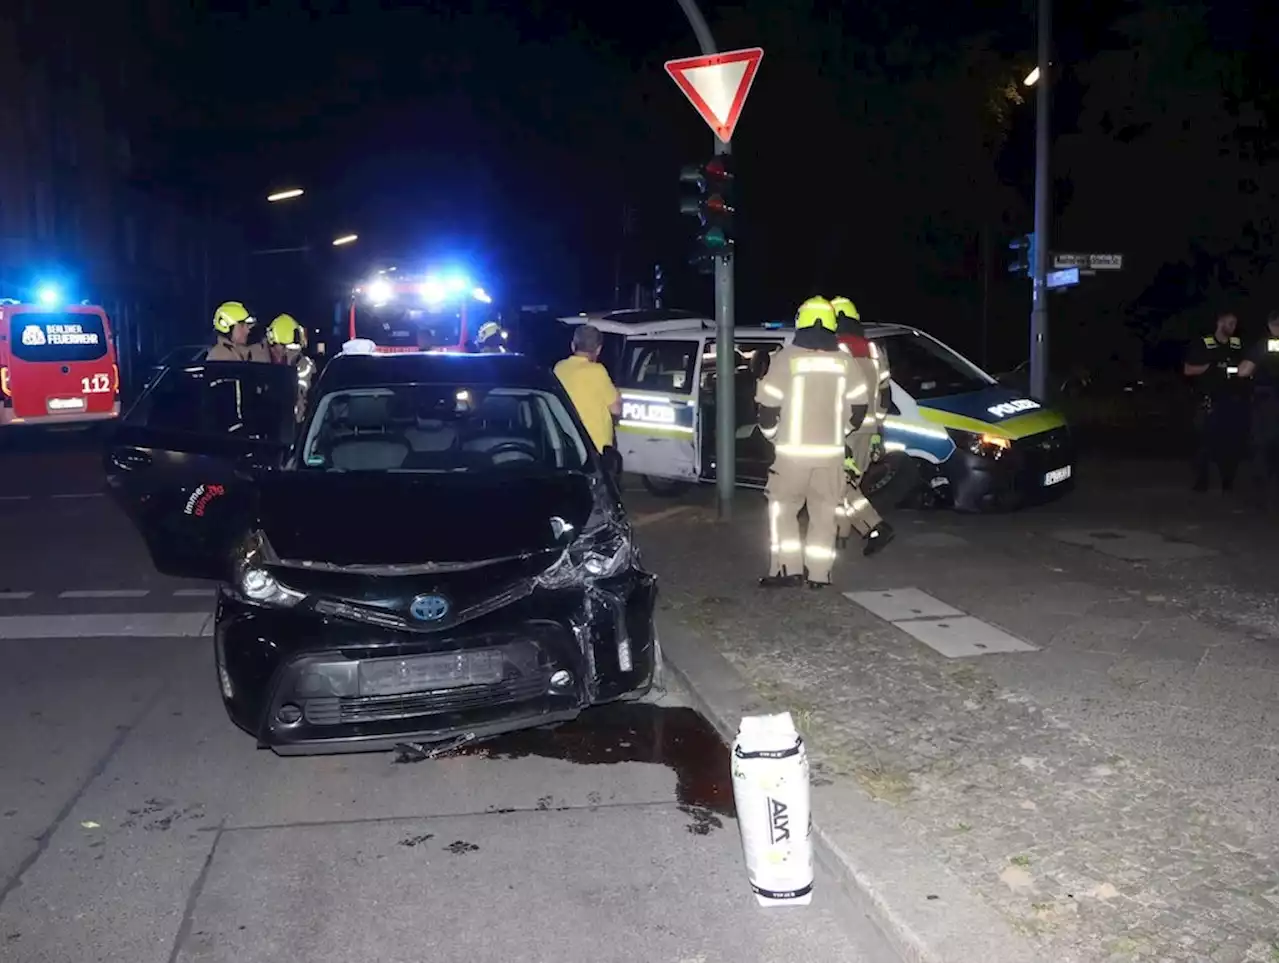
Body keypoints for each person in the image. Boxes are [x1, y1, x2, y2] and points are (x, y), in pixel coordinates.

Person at [756, 296, 875, 590]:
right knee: (824, 514)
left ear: (801, 322)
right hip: (831, 457)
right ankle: (819, 575)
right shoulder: (846, 362)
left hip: (791, 457)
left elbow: (767, 410)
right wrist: (840, 433)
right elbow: (860, 409)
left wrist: (773, 438)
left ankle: (788, 570)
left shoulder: (785, 359)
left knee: (783, 511)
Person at [830, 295, 894, 554]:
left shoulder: (834, 350)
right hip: (868, 430)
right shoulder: (874, 349)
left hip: (844, 429)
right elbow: (886, 394)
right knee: (848, 483)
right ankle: (840, 533)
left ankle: (875, 527)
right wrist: (878, 428)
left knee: (837, 484)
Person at [1183, 310, 1246, 492]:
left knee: (1231, 443)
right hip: (1209, 400)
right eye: (1229, 323)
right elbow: (1188, 370)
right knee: (1204, 444)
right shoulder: (1205, 344)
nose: (1233, 327)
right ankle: (1202, 482)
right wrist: (1210, 368)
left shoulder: (1237, 344)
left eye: (1235, 323)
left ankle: (1228, 482)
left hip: (1233, 400)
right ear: (1220, 323)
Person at [554, 324, 622, 476]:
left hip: (567, 446)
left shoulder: (559, 368)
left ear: (573, 345)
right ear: (598, 349)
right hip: (595, 449)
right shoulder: (597, 371)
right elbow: (616, 409)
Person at [1235, 309, 1280, 505]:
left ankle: (1262, 496)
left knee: (1262, 446)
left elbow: (1243, 372)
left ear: (1271, 325)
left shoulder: (1266, 345)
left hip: (1268, 402)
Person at [266, 314, 317, 421]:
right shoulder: (256, 357)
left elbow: (301, 401)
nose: (275, 351)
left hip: (290, 426)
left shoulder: (303, 364)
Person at [206, 301, 270, 362]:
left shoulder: (256, 349)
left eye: (247, 325)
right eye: (241, 326)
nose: (247, 331)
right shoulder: (219, 357)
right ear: (226, 328)